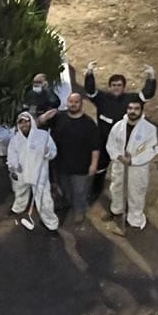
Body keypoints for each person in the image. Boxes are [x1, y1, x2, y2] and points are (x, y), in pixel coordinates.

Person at [84, 62, 157, 203]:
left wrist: (151, 77)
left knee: (124, 170)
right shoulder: (101, 98)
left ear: (124, 87)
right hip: (103, 141)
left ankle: (125, 196)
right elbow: (90, 91)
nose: (116, 88)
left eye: (119, 85)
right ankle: (96, 190)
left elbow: (147, 95)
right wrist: (89, 73)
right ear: (109, 86)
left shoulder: (132, 99)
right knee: (100, 167)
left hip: (124, 144)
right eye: (114, 85)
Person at [39, 93, 100, 224]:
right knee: (64, 189)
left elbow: (95, 146)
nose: (73, 104)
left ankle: (79, 211)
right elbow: (39, 125)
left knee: (79, 192)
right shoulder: (58, 117)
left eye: (76, 102)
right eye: (70, 101)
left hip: (81, 166)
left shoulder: (89, 124)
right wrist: (44, 117)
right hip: (60, 165)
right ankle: (66, 203)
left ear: (81, 104)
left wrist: (93, 164)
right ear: (67, 102)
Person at [106, 100, 158, 231]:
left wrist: (132, 161)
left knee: (136, 192)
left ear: (141, 111)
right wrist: (120, 157)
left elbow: (150, 150)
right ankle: (117, 210)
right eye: (130, 108)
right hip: (120, 165)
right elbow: (110, 144)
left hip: (137, 168)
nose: (132, 111)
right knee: (116, 188)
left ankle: (135, 218)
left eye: (136, 109)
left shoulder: (149, 129)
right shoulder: (118, 126)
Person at [7, 111, 58, 233]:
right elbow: (11, 155)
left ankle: (51, 225)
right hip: (22, 174)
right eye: (21, 122)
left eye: (26, 121)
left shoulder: (43, 136)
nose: (24, 124)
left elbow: (53, 152)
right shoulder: (15, 140)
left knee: (44, 201)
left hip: (39, 174)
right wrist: (14, 166)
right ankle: (18, 209)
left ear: (31, 121)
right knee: (20, 193)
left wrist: (47, 152)